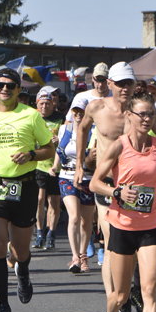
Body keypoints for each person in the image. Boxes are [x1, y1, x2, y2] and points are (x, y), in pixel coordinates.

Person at [74, 62, 156, 312]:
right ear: (109, 84)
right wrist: (81, 162)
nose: (125, 88)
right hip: (108, 185)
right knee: (110, 241)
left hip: (140, 190)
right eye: (119, 83)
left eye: (129, 83)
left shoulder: (143, 112)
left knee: (137, 246)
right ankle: (116, 301)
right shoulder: (96, 107)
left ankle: (132, 288)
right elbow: (82, 129)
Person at [90, 92, 156, 312]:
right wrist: (116, 191)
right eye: (143, 114)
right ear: (130, 116)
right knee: (120, 295)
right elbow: (94, 183)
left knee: (150, 290)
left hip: (150, 226)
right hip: (122, 227)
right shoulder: (118, 146)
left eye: (152, 114)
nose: (148, 119)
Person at [0, 68, 55, 312]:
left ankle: (23, 271)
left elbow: (49, 150)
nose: (4, 89)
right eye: (0, 85)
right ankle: (3, 307)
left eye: (10, 85)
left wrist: (31, 155)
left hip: (24, 186)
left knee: (20, 249)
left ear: (19, 89)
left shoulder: (31, 116)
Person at [52, 97, 95, 273]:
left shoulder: (95, 131)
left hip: (88, 177)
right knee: (74, 217)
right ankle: (75, 257)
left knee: (86, 221)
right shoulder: (64, 129)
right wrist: (55, 166)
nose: (78, 114)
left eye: (82, 111)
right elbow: (59, 151)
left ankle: (84, 256)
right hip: (66, 176)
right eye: (75, 111)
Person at [32, 89, 66, 250]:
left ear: (53, 104)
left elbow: (68, 136)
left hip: (56, 166)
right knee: (39, 199)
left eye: (47, 103)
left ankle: (51, 233)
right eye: (41, 104)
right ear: (37, 105)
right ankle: (39, 233)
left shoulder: (60, 118)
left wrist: (59, 139)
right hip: (38, 164)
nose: (44, 106)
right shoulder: (33, 117)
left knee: (54, 203)